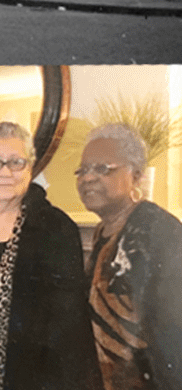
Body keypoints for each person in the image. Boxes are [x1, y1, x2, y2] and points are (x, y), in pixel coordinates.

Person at [0, 122, 101, 390]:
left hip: (29, 379)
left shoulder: (54, 227)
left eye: (16, 162)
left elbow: (67, 327)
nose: (5, 172)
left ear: (31, 168)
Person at [76, 124, 182, 390]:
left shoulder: (158, 231)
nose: (88, 178)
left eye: (103, 168)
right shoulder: (104, 230)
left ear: (136, 176)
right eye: (83, 170)